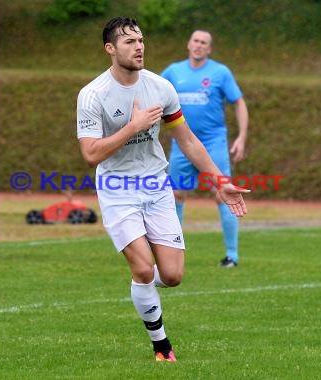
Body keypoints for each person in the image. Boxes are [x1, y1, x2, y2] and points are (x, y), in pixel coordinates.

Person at [76, 17, 249, 362]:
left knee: (171, 275)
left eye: (140, 39)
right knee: (142, 268)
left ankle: (143, 287)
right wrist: (134, 126)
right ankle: (162, 345)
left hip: (156, 184)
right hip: (117, 188)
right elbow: (91, 153)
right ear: (110, 49)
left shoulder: (160, 88)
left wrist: (219, 180)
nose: (139, 46)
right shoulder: (92, 94)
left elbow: (186, 140)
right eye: (129, 42)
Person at [161, 30, 250, 268]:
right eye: (196, 41)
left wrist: (241, 136)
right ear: (188, 44)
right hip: (182, 143)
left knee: (223, 193)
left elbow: (239, 102)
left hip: (213, 143)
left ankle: (232, 255)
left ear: (209, 49)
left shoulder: (220, 72)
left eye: (204, 43)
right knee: (176, 194)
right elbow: (152, 95)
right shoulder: (173, 72)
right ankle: (173, 252)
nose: (199, 45)